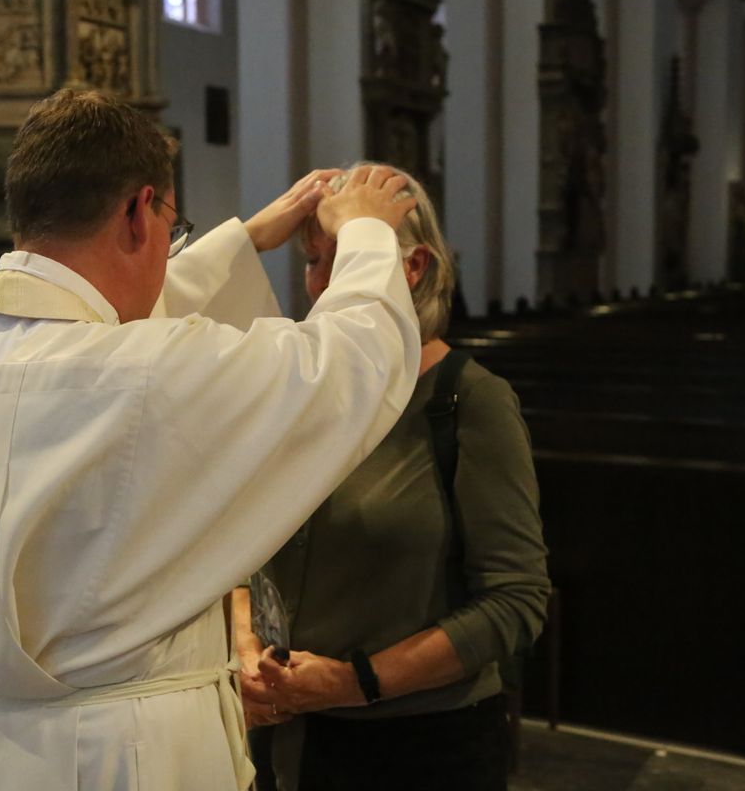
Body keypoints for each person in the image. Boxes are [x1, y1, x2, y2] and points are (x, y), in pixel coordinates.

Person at [0, 89, 423, 791]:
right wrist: (365, 231)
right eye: (173, 228)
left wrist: (241, 240)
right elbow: (353, 361)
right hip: (119, 755)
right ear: (140, 212)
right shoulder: (143, 375)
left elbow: (97, 326)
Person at [234, 165, 551, 790]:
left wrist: (354, 681)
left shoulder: (468, 400)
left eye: (344, 257)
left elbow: (516, 602)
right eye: (312, 262)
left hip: (418, 748)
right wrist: (246, 648)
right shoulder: (302, 389)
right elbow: (242, 554)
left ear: (412, 267)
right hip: (283, 735)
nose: (320, 285)